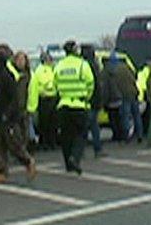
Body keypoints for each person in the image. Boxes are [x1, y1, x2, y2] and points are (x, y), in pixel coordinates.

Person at [0, 45, 36, 184]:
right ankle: (0, 170)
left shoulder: (6, 76)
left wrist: (8, 115)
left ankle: (28, 162)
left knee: (13, 144)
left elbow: (14, 99)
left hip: (7, 116)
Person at [54, 39, 95, 175]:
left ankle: (68, 164)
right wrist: (86, 97)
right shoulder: (83, 65)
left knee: (66, 136)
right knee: (81, 134)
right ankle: (75, 158)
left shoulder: (59, 65)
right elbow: (90, 83)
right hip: (79, 105)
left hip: (63, 105)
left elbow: (55, 85)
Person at [111, 52, 142, 143]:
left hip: (124, 95)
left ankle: (127, 136)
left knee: (125, 116)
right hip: (133, 93)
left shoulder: (114, 71)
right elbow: (134, 77)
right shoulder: (127, 67)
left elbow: (114, 85)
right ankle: (139, 134)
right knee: (136, 115)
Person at [80, 45, 106, 158]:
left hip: (84, 100)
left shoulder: (82, 65)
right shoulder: (93, 65)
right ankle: (97, 149)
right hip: (92, 100)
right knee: (92, 126)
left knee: (85, 126)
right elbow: (97, 86)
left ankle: (81, 150)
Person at [31, 53, 59, 150]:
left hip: (53, 98)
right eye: (49, 59)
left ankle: (53, 142)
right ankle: (45, 143)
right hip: (44, 99)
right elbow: (41, 84)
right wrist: (46, 89)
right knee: (44, 123)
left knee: (53, 123)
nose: (51, 61)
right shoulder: (40, 70)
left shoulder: (53, 69)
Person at [11, 51, 37, 149]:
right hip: (16, 107)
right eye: (18, 60)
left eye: (23, 60)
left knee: (27, 129)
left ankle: (29, 146)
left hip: (27, 106)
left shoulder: (30, 75)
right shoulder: (13, 74)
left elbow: (33, 91)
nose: (21, 62)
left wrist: (31, 106)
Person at [99, 54, 125, 142]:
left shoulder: (103, 74)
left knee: (113, 119)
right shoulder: (116, 70)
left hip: (111, 99)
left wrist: (104, 102)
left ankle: (116, 135)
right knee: (119, 118)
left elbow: (105, 89)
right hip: (119, 97)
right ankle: (122, 135)